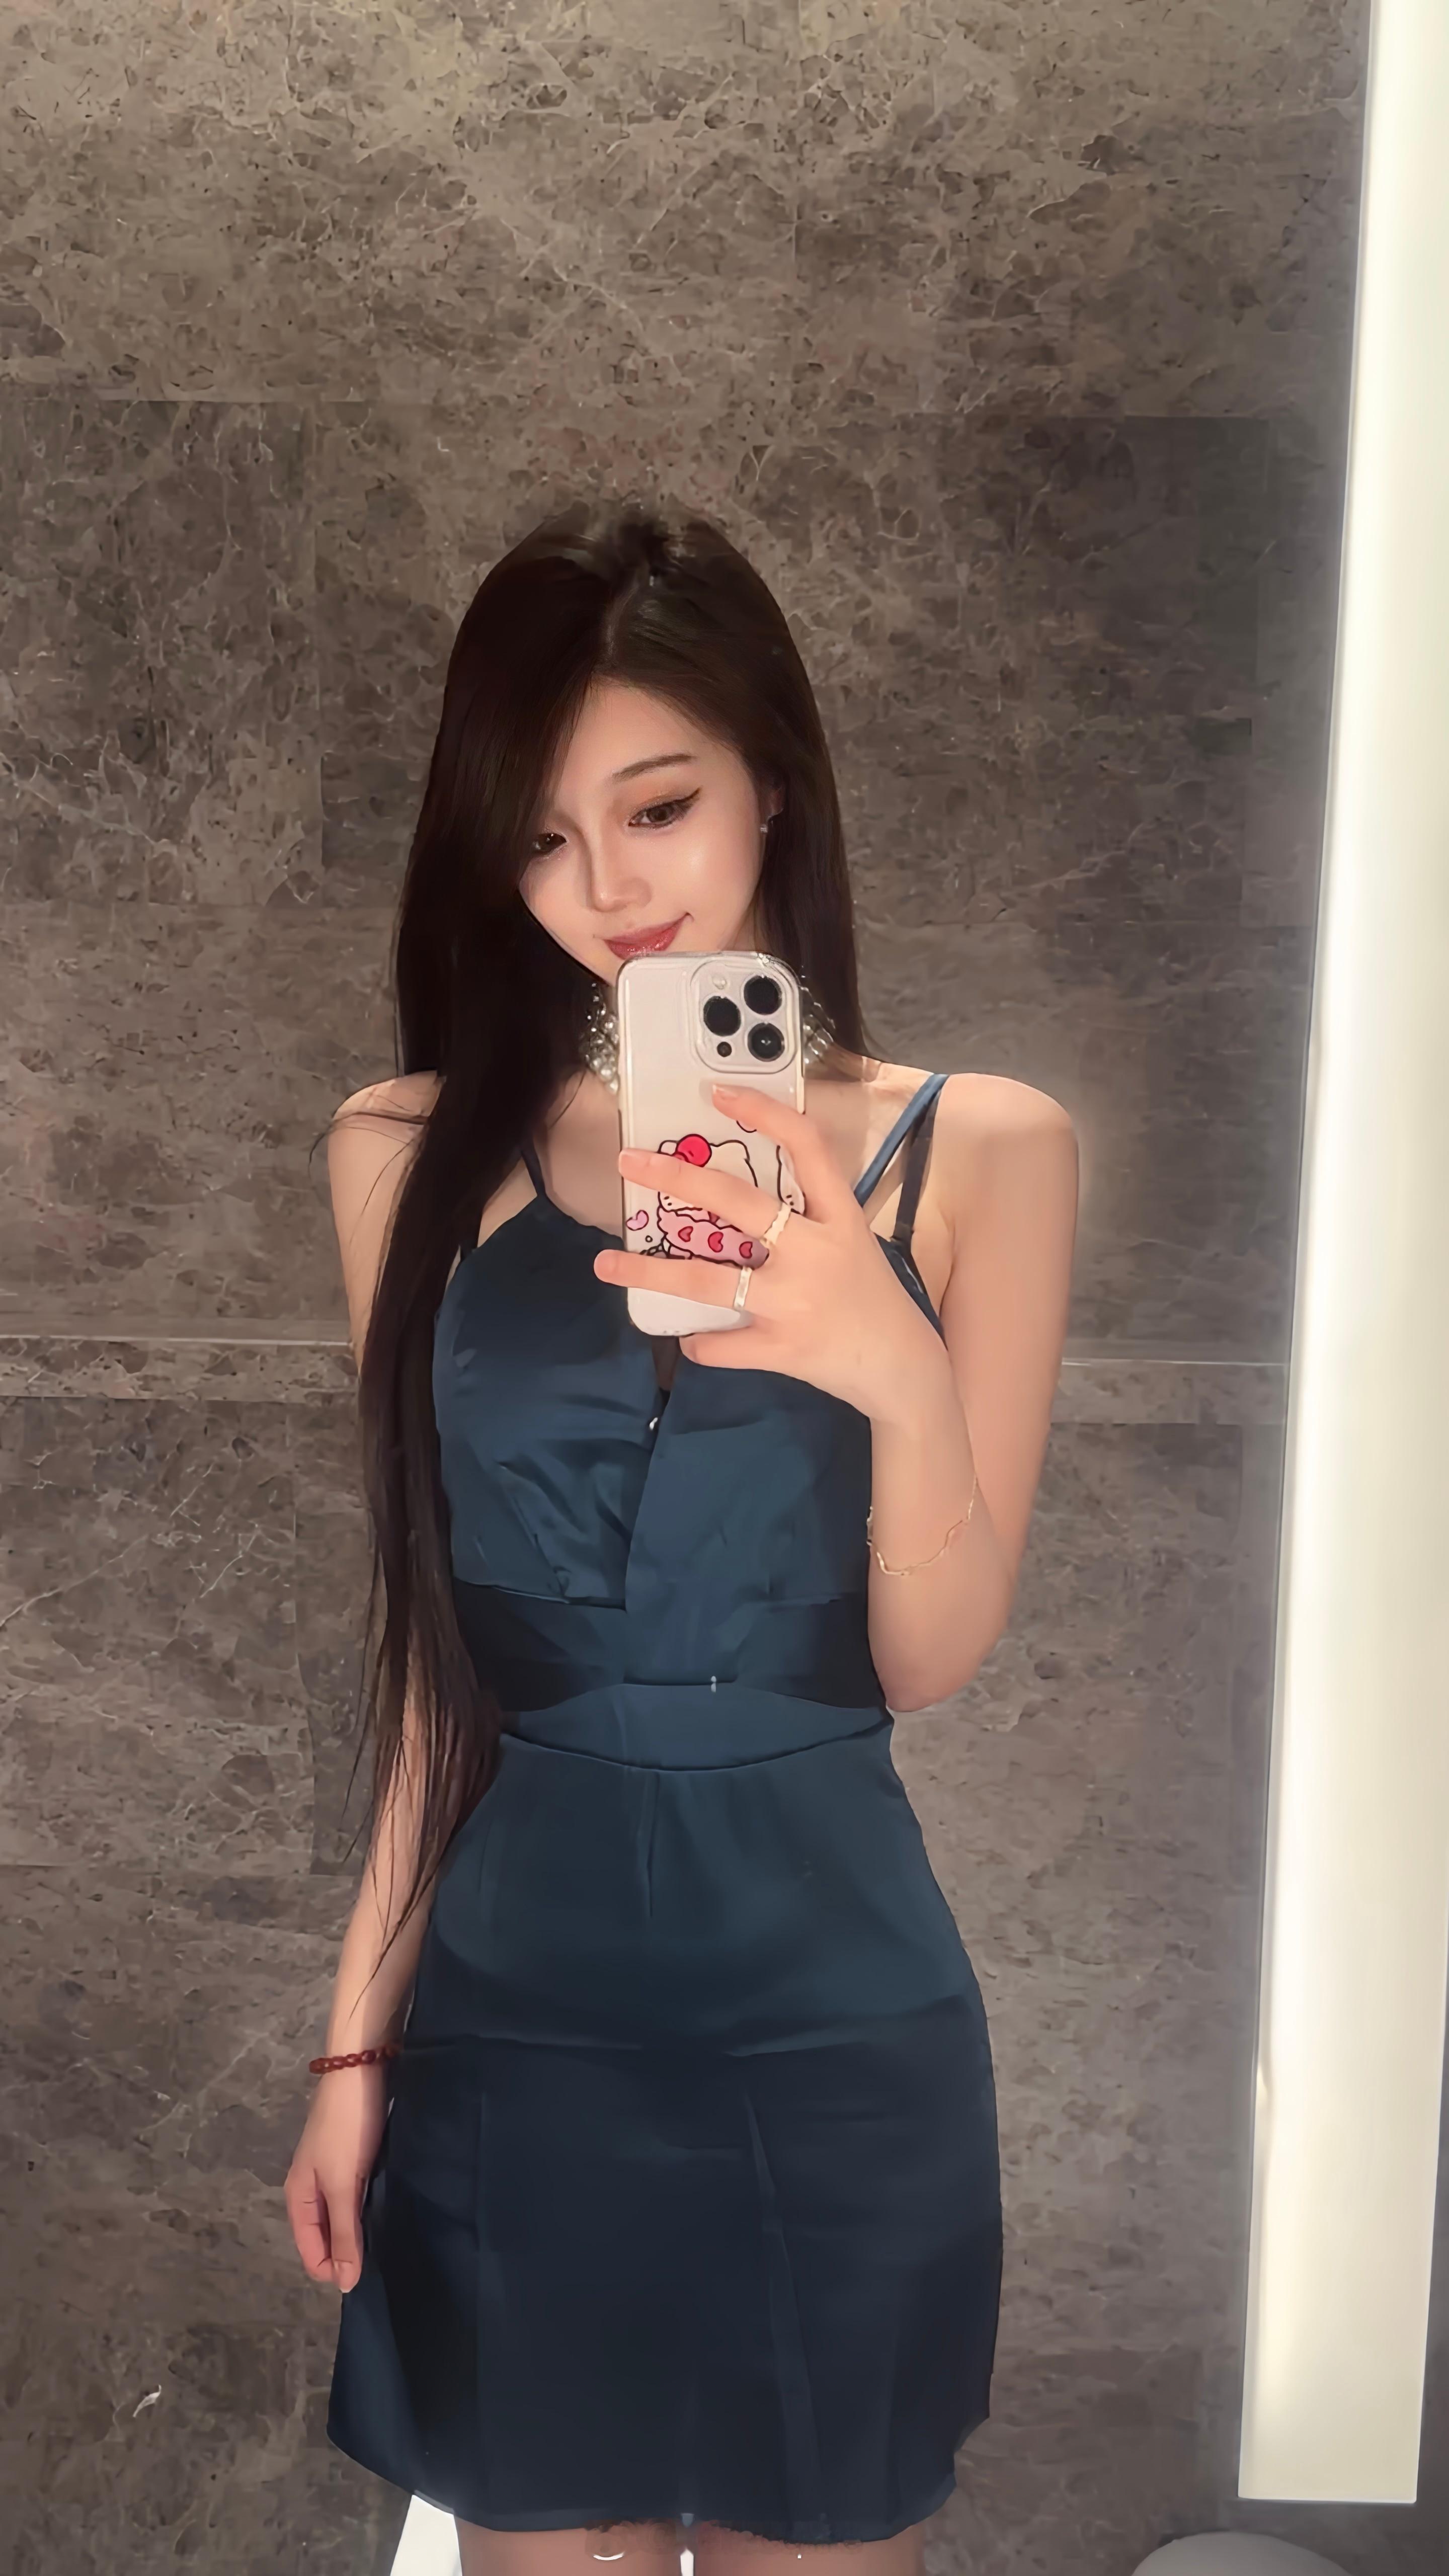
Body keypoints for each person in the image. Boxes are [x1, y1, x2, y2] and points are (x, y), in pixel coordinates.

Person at [285, 500, 1079, 2576]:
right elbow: (438, 1673)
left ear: (772, 783)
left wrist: (888, 1361)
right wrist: (354, 2041)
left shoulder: (982, 1151)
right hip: (515, 2025)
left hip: (839, 2031)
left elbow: (927, 1660)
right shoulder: (401, 1154)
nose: (611, 889)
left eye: (659, 807)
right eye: (544, 837)